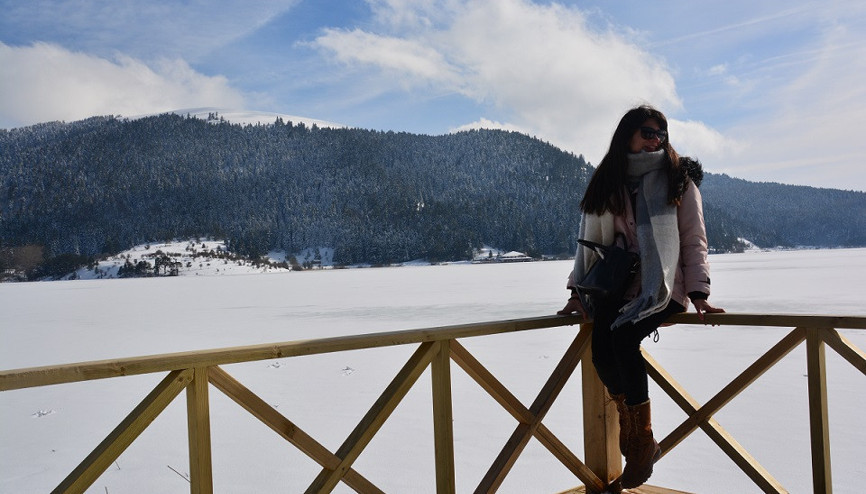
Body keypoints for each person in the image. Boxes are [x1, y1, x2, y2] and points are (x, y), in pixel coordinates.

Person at [557, 105, 724, 489]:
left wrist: (699, 292)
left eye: (661, 135)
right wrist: (576, 293)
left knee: (623, 339)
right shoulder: (608, 182)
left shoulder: (678, 180)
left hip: (664, 286)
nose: (656, 140)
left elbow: (693, 240)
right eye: (648, 132)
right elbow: (589, 247)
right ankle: (642, 440)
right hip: (619, 288)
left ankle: (638, 446)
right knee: (601, 351)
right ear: (627, 135)